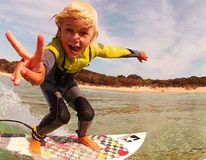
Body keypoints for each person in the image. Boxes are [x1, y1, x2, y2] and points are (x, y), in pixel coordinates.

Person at [5, 0, 148, 155]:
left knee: (88, 113)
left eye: (83, 33)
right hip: (50, 84)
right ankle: (37, 134)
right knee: (61, 116)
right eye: (69, 30)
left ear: (93, 37)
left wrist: (137, 53)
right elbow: (46, 59)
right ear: (59, 31)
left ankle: (82, 136)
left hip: (68, 84)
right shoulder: (55, 48)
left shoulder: (93, 50)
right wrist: (40, 70)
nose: (75, 38)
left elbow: (117, 51)